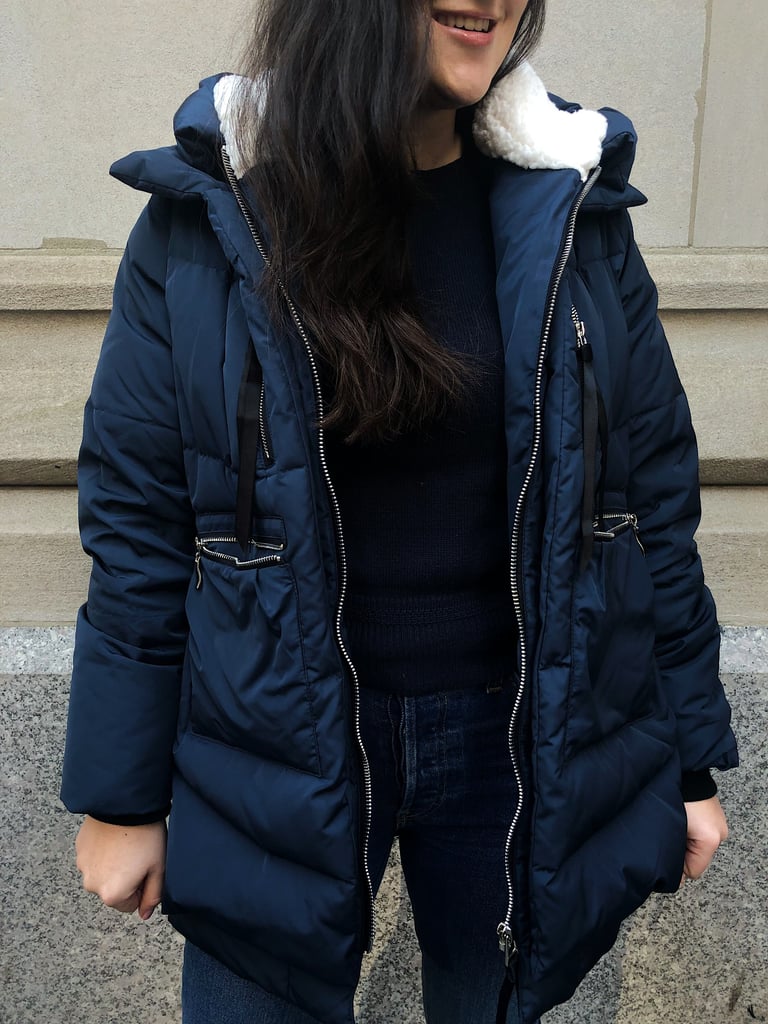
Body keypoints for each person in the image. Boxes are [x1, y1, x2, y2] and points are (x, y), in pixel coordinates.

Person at [61, 2, 737, 1023]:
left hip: (517, 738)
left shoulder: (572, 210)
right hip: (274, 737)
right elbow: (142, 525)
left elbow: (645, 503)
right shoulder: (214, 213)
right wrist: (120, 795)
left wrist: (687, 757)